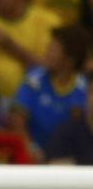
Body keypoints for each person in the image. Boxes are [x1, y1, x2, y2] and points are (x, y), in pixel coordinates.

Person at [8, 23, 90, 158]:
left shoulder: (83, 88)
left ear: (70, 60)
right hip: (32, 155)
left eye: (53, 49)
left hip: (69, 157)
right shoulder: (34, 80)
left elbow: (81, 129)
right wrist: (32, 149)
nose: (46, 52)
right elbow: (17, 123)